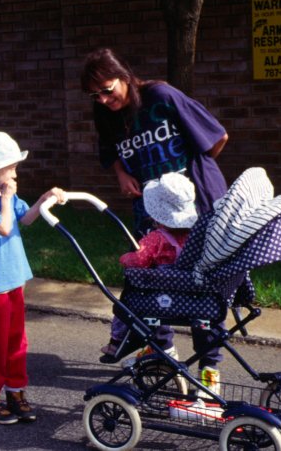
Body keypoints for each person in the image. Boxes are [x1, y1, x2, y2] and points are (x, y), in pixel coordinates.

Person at [81, 47, 229, 389]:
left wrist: (190, 176)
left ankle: (209, 368)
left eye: (107, 90)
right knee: (152, 281)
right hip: (150, 214)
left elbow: (217, 136)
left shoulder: (160, 96)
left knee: (202, 290)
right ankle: (162, 352)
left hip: (194, 210)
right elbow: (109, 150)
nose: (102, 99)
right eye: (94, 95)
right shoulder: (105, 113)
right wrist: (121, 174)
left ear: (124, 76)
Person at [0, 131, 65, 425]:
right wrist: (6, 198)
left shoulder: (2, 193)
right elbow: (4, 227)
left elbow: (25, 218)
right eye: (12, 168)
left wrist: (44, 199)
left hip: (13, 277)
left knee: (17, 340)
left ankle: (15, 391)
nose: (15, 174)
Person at [100, 172, 197, 359]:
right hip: (187, 293)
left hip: (158, 293)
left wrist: (125, 258)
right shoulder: (194, 237)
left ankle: (118, 341)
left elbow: (139, 261)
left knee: (124, 307)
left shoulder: (155, 239)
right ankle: (159, 347)